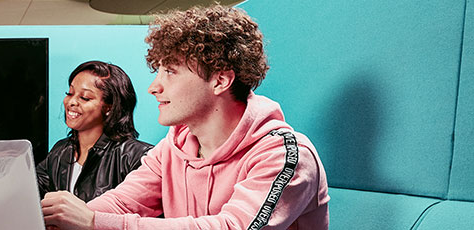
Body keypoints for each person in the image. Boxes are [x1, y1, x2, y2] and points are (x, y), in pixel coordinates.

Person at [41, 5, 329, 230]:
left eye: (171, 71)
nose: (154, 87)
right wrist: (63, 219)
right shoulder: (173, 147)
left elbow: (232, 227)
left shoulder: (284, 154)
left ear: (220, 80)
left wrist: (92, 223)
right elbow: (123, 201)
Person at [36, 61, 154, 202]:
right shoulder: (60, 151)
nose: (71, 102)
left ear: (109, 107)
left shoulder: (136, 157)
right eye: (70, 93)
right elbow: (31, 192)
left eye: (85, 98)